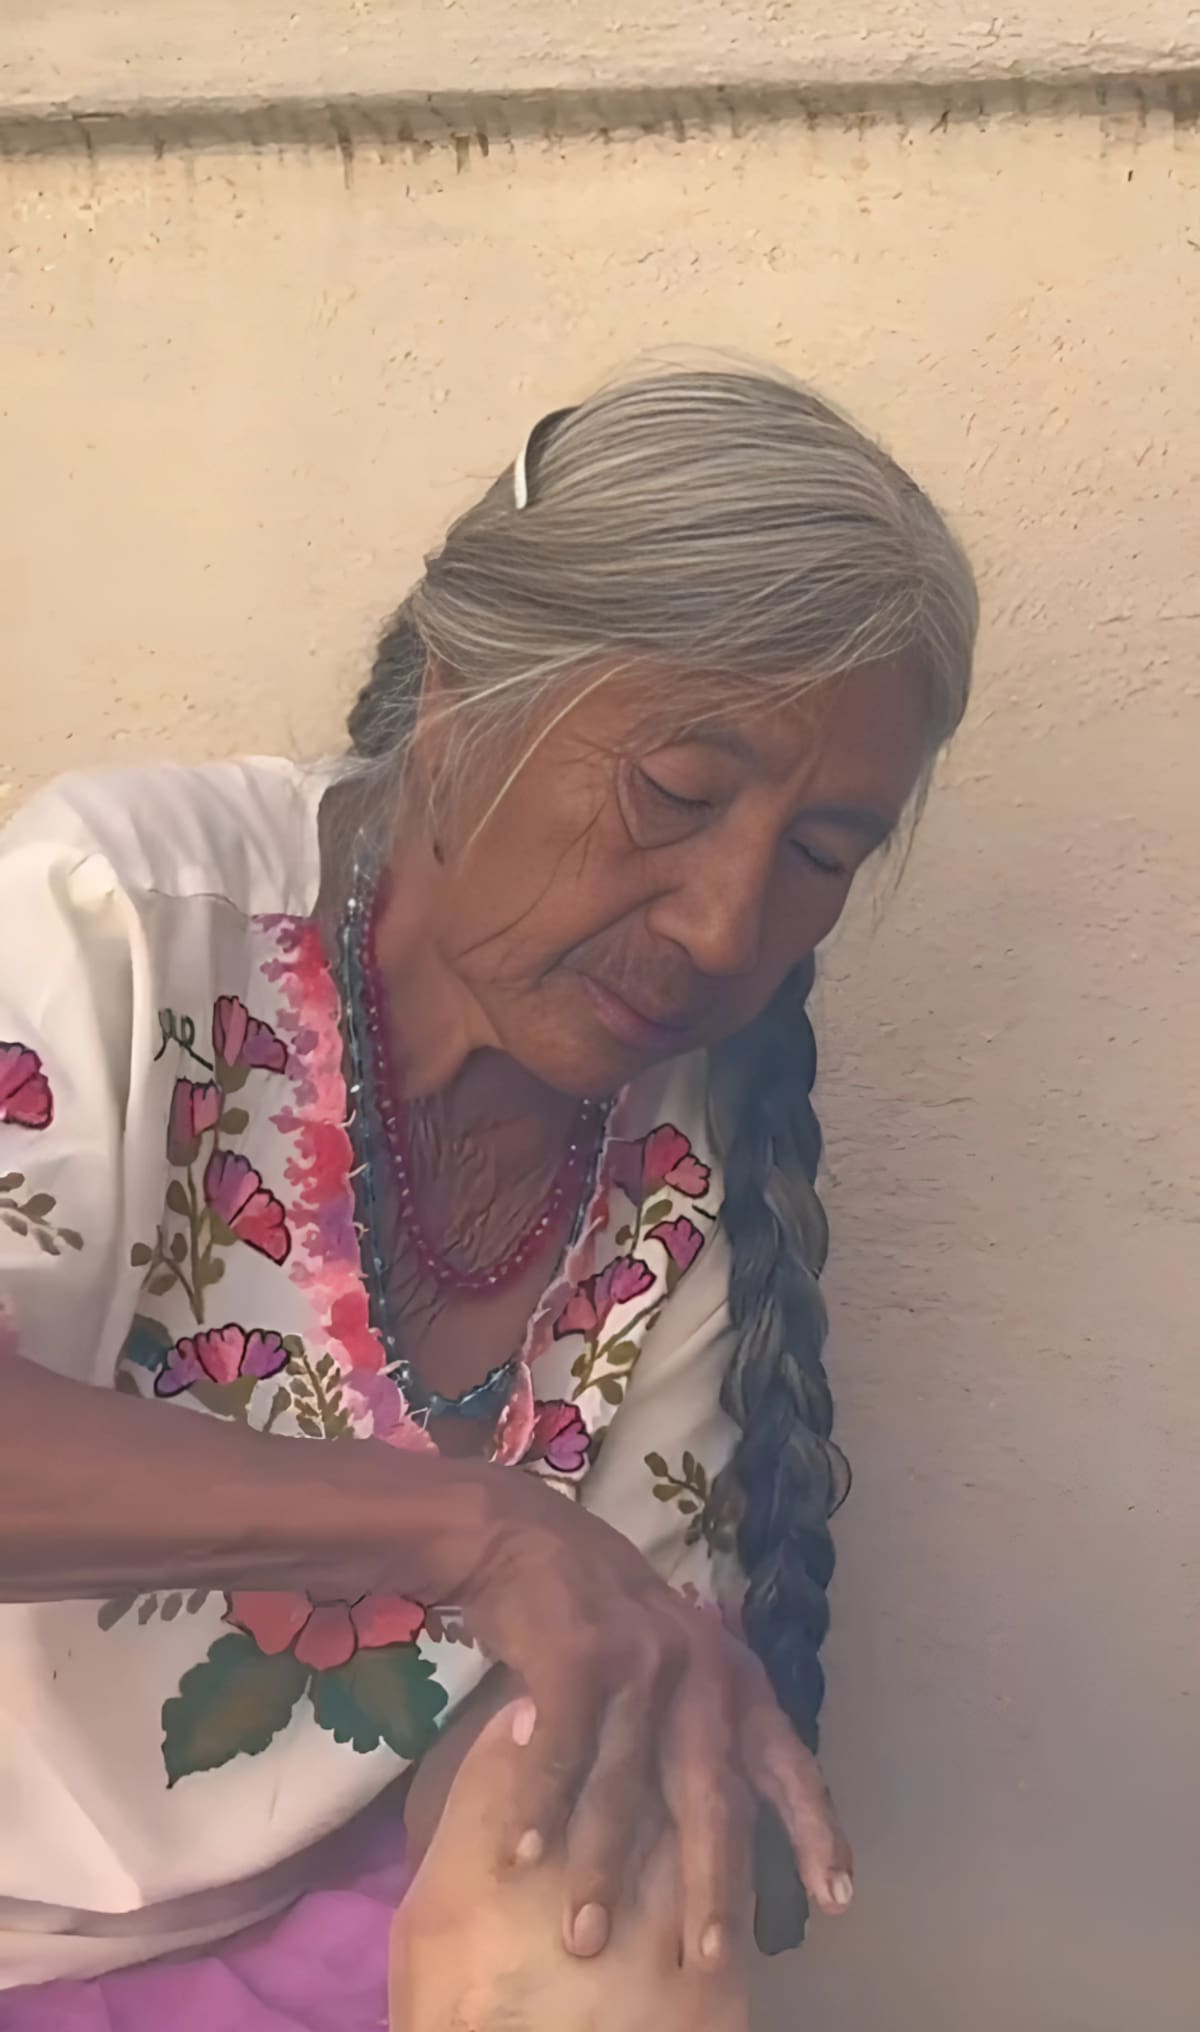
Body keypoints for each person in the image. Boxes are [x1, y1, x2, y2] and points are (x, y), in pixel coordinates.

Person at [0, 359, 977, 2029]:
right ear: (462, 698)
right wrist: (470, 1530)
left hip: (321, 1943)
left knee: (610, 1885)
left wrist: (595, 1780)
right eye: (676, 794)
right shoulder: (127, 916)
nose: (725, 926)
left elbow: (557, 1715)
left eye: (822, 856)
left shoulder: (691, 1150)